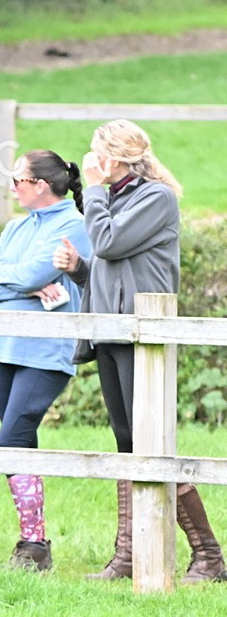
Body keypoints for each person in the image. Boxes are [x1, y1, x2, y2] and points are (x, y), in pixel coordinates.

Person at [54, 119, 225, 584]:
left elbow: (109, 242)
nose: (91, 159)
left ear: (114, 157)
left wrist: (92, 192)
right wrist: (80, 269)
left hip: (143, 336)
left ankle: (209, 556)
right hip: (113, 331)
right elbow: (111, 265)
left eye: (96, 151)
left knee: (153, 445)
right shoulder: (115, 198)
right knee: (127, 443)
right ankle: (128, 556)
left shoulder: (155, 198)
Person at [0, 150, 92, 572]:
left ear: (40, 185)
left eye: (17, 180)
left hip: (47, 350)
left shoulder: (75, 225)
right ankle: (35, 547)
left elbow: (26, 275)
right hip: (3, 347)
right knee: (20, 443)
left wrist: (20, 280)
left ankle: (33, 544)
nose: (11, 187)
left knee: (10, 442)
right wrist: (26, 286)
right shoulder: (15, 226)